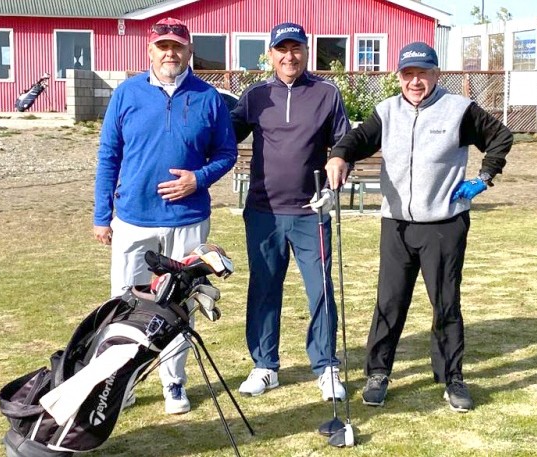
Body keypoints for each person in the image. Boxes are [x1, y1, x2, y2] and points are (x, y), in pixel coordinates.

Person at [325, 41, 513, 412]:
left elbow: (501, 138)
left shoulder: (458, 110)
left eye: (422, 73)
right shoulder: (387, 111)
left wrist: (484, 177)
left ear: (436, 74)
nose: (415, 81)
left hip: (443, 224)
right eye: (408, 74)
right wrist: (339, 156)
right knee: (389, 302)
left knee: (445, 303)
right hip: (396, 224)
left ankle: (451, 378)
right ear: (398, 77)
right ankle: (378, 373)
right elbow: (357, 139)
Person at [93, 17, 237, 415]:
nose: (170, 53)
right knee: (125, 305)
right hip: (134, 218)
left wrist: (198, 178)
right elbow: (109, 155)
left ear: (189, 51)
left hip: (187, 219)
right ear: (150, 50)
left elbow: (226, 154)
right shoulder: (127, 94)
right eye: (163, 46)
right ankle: (122, 383)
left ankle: (174, 382)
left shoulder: (208, 97)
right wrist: (101, 215)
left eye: (177, 46)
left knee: (178, 305)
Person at [230, 22, 351, 401]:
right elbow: (224, 136)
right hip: (263, 211)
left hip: (310, 211)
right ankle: (265, 366)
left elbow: (343, 142)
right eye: (281, 49)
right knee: (264, 289)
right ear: (270, 55)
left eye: (296, 48)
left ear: (306, 51)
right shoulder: (254, 96)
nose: (289, 56)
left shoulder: (326, 93)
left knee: (320, 290)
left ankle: (326, 366)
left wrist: (337, 174)